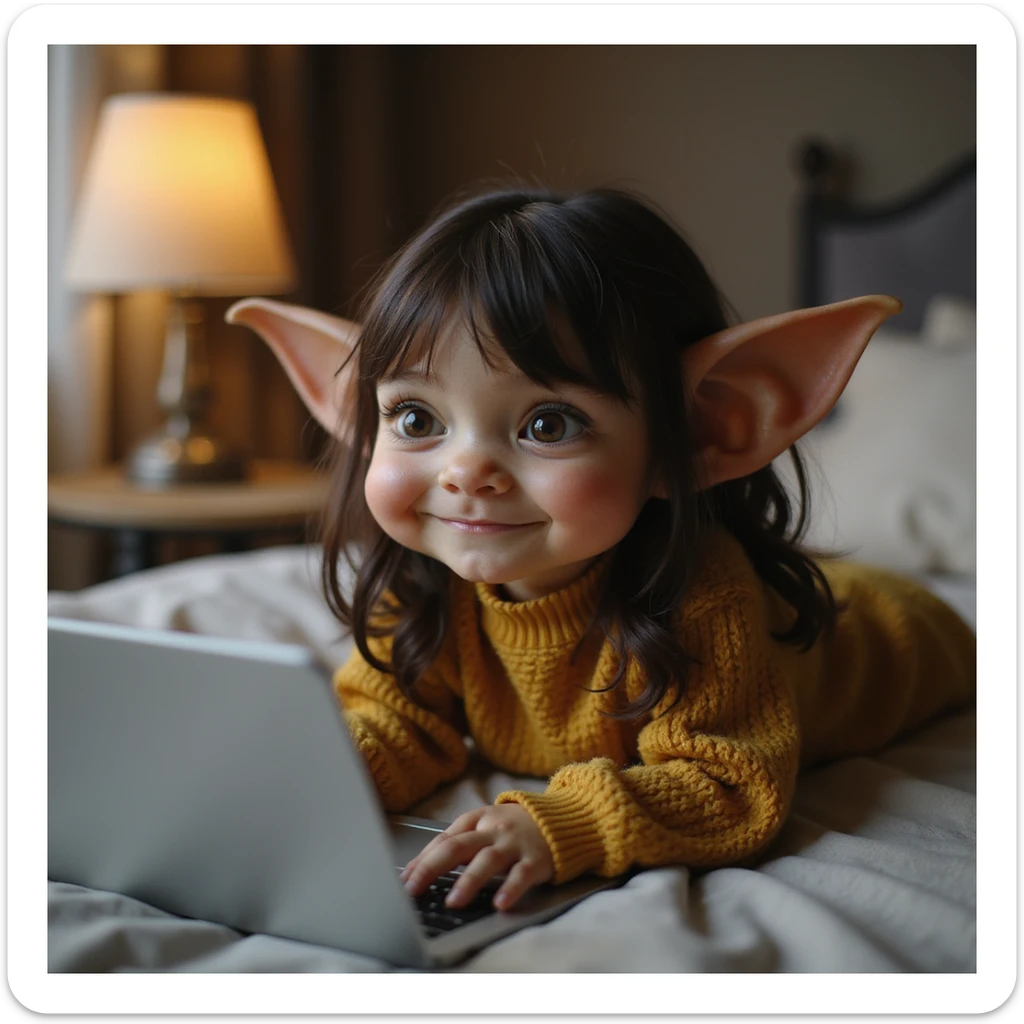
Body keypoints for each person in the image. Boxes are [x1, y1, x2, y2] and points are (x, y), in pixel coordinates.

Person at [226, 185, 975, 915]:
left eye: (547, 424)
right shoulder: (425, 582)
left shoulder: (704, 597)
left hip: (904, 634)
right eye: (417, 417)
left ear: (697, 434)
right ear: (359, 413)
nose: (464, 475)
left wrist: (561, 823)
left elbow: (728, 783)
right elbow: (400, 724)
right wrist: (312, 775)